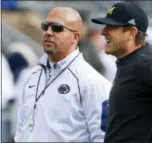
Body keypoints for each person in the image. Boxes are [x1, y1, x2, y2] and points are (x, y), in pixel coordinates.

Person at [14, 7, 111, 142]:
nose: (48, 32)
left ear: (75, 37)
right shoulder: (33, 76)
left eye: (57, 28)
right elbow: (21, 129)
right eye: (45, 26)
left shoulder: (93, 82)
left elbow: (103, 138)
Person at [91, 1, 152, 143]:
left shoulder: (145, 65)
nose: (103, 32)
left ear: (132, 33)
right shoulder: (129, 63)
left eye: (111, 27)